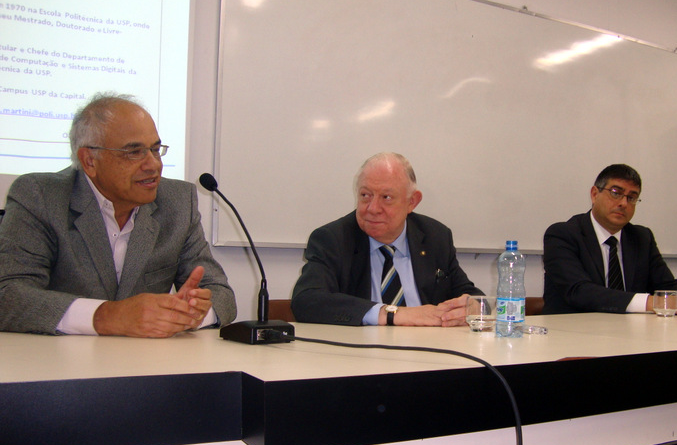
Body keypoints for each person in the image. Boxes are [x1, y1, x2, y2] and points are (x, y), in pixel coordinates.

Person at [0, 93, 236, 337]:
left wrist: (189, 313)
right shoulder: (41, 196)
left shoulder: (177, 201)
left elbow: (221, 295)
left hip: (146, 363)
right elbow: (7, 294)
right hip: (57, 362)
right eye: (134, 152)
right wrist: (106, 316)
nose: (153, 164)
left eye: (155, 149)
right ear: (90, 161)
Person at [291, 152, 483, 326]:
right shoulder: (333, 239)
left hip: (431, 353)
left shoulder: (435, 236)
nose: (372, 208)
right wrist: (394, 314)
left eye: (386, 197)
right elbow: (306, 301)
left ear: (412, 202)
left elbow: (470, 294)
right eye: (365, 195)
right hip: (361, 357)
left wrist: (475, 306)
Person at [543, 163, 677, 316]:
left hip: (631, 335)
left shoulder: (642, 237)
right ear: (595, 194)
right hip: (573, 335)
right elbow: (579, 291)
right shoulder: (562, 235)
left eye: (631, 197)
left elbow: (669, 286)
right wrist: (651, 302)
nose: (623, 203)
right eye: (616, 193)